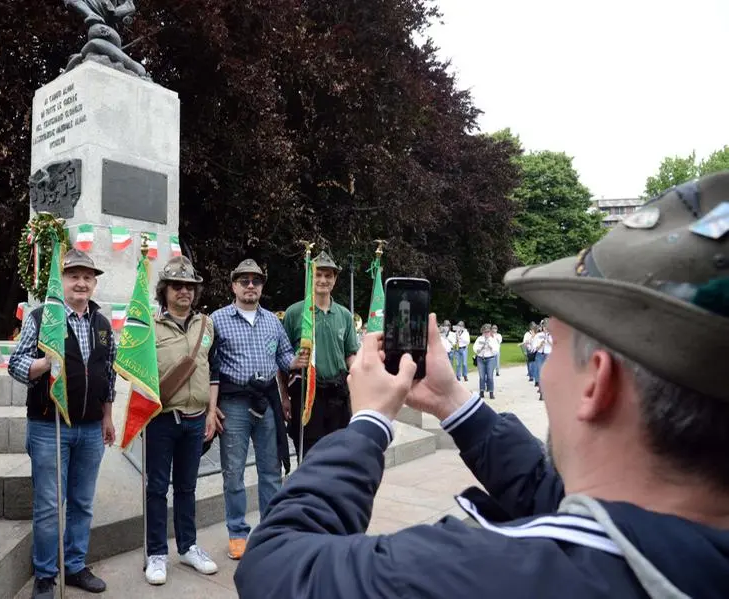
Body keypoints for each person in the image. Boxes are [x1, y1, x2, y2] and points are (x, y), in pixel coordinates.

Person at [233, 171, 729, 599]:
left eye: (553, 346)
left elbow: (276, 564)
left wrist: (368, 424)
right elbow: (552, 494)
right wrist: (454, 403)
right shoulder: (689, 542)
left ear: (596, 383)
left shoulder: (479, 575)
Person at [8, 249, 116, 599]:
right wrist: (43, 363)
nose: (81, 282)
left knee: (83, 502)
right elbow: (16, 364)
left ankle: (74, 565)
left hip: (89, 428)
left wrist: (108, 416)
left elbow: (108, 373)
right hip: (48, 425)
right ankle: (45, 573)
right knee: (51, 504)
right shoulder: (42, 318)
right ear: (62, 281)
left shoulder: (101, 322)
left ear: (94, 282)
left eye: (88, 277)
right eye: (74, 276)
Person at [210, 259, 305, 560]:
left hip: (267, 402)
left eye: (256, 281)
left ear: (262, 286)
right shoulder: (217, 320)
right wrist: (210, 406)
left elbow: (284, 358)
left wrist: (298, 361)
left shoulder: (273, 322)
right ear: (233, 285)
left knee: (271, 470)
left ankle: (271, 531)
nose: (250, 285)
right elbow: (207, 366)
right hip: (233, 403)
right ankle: (238, 532)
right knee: (234, 472)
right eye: (244, 280)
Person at [144, 256, 219, 585]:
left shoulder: (206, 325)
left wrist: (210, 411)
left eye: (190, 287)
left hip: (194, 419)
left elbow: (210, 368)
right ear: (165, 290)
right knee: (157, 488)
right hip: (161, 419)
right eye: (178, 286)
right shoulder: (148, 324)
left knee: (187, 487)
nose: (184, 292)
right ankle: (156, 553)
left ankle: (188, 546)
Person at [282, 251, 359, 459]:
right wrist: (284, 397)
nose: (323, 280)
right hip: (307, 395)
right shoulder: (295, 313)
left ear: (335, 280)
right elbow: (282, 359)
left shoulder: (344, 315)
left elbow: (351, 355)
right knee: (309, 456)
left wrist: (364, 373)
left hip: (338, 395)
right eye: (318, 274)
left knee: (339, 455)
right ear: (310, 277)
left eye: (328, 275)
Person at [472, 324, 499, 399]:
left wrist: (490, 347)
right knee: (481, 376)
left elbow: (496, 350)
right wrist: (480, 348)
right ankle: (481, 391)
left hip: (490, 359)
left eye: (487, 332)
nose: (486, 333)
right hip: (481, 358)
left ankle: (491, 392)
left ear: (490, 332)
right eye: (485, 332)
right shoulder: (479, 339)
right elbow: (475, 348)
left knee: (490, 376)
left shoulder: (493, 339)